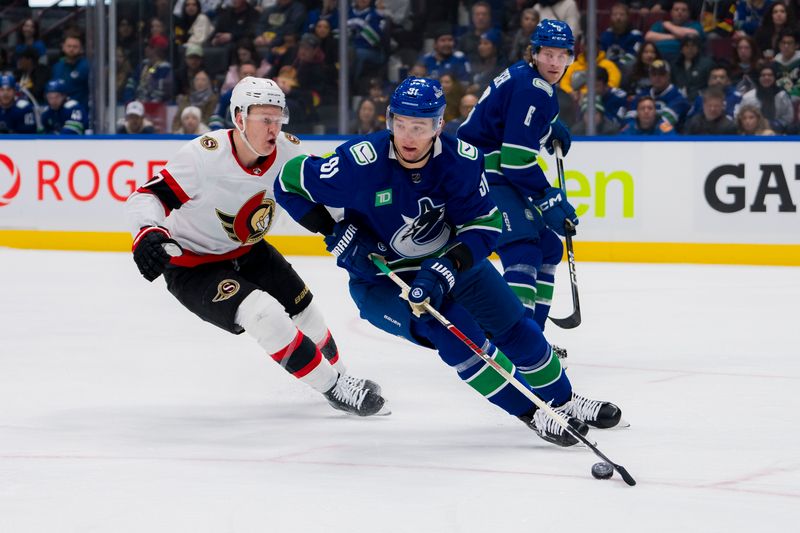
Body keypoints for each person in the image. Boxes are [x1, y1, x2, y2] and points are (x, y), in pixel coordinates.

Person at [274, 76, 623, 447]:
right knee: (453, 332)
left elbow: (485, 225)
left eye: (420, 127)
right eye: (401, 124)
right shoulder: (359, 162)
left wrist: (448, 266)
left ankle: (565, 400)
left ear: (439, 125)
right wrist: (333, 231)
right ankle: (533, 413)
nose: (408, 137)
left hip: (453, 265)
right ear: (389, 119)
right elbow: (287, 182)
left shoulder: (462, 161)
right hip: (383, 281)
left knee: (515, 327)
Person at [125, 76, 387, 417]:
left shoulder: (289, 151)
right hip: (193, 267)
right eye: (264, 118)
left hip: (250, 251)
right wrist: (147, 231)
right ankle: (335, 389)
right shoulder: (204, 157)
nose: (273, 128)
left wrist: (356, 226)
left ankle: (342, 377)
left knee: (307, 313)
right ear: (238, 118)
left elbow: (324, 195)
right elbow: (147, 197)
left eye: (277, 119)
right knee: (262, 312)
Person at [456, 20, 576, 343]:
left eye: (561, 55)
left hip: (487, 169)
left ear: (570, 59)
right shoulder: (533, 89)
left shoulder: (529, 80)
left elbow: (509, 125)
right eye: (547, 54)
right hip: (481, 174)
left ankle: (534, 338)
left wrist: (548, 130)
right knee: (522, 250)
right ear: (534, 53)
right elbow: (515, 162)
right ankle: (515, 344)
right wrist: (547, 197)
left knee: (549, 248)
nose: (554, 62)